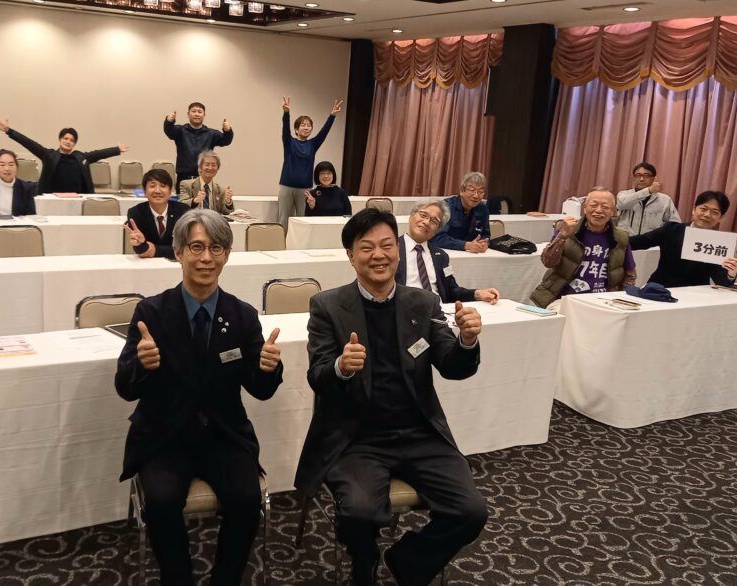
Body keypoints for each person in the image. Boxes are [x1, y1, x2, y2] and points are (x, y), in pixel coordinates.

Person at [295, 208, 489, 586]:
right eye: (366, 247)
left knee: (471, 511)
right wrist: (341, 367)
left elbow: (453, 366)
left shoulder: (423, 303)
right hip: (357, 438)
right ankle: (363, 558)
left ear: (398, 252)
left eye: (387, 245)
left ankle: (407, 560)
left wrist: (467, 342)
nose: (378, 255)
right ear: (351, 256)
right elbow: (318, 376)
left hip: (420, 434)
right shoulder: (327, 306)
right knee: (359, 512)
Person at [115, 209, 282, 586]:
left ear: (227, 255)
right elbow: (125, 387)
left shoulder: (242, 316)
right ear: (178, 252)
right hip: (164, 436)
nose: (206, 257)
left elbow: (260, 388)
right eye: (196, 247)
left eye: (216, 248)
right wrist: (142, 365)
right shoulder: (150, 313)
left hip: (224, 435)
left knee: (246, 498)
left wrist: (268, 368)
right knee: (160, 502)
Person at [530, 188, 637, 309]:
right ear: (585, 208)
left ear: (613, 211)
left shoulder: (621, 237)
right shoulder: (567, 229)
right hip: (565, 298)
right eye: (593, 205)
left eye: (605, 207)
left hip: (604, 300)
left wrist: (621, 298)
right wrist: (562, 236)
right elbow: (548, 262)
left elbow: (630, 275)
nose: (598, 210)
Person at [629, 191, 737, 287]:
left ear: (720, 218)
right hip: (660, 289)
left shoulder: (719, 243)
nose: (707, 214)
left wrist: (731, 274)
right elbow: (637, 242)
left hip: (694, 295)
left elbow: (721, 281)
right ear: (694, 209)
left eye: (715, 212)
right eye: (703, 209)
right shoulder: (671, 229)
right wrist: (618, 237)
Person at [0, 116, 128, 194]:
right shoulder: (49, 155)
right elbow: (29, 143)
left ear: (74, 144)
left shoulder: (81, 157)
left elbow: (99, 153)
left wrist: (117, 149)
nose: (68, 142)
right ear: (60, 140)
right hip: (52, 198)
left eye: (72, 140)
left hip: (77, 199)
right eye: (65, 138)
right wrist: (9, 131)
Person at [398, 199, 500, 304]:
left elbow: (451, 291)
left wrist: (477, 294)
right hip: (405, 309)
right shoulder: (392, 249)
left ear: (437, 230)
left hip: (439, 310)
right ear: (411, 216)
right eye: (423, 216)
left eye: (434, 221)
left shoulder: (441, 256)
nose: (427, 222)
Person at [278, 97, 343, 230]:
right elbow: (285, 129)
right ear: (296, 129)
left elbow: (324, 132)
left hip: (305, 189)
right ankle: (281, 243)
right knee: (283, 219)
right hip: (286, 186)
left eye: (309, 125)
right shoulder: (289, 142)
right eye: (303, 125)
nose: (307, 127)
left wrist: (332, 116)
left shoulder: (313, 144)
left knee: (303, 220)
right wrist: (286, 113)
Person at [163, 102, 234, 192]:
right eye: (193, 111)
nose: (197, 114)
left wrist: (228, 131)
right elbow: (169, 131)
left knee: (203, 201)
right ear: (188, 114)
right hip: (183, 179)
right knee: (182, 201)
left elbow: (226, 141)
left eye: (200, 112)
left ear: (204, 115)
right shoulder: (180, 131)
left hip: (204, 178)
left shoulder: (211, 134)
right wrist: (169, 121)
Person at [124, 168, 191, 259]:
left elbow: (187, 248)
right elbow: (141, 250)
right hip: (148, 264)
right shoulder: (136, 212)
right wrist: (140, 244)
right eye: (152, 186)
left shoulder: (183, 211)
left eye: (163, 186)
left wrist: (155, 250)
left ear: (170, 191)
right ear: (145, 191)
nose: (157, 191)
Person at [431, 172, 491, 254]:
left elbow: (486, 234)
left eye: (480, 191)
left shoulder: (482, 208)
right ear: (462, 191)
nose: (476, 196)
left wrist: (483, 243)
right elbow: (437, 238)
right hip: (445, 253)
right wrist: (466, 245)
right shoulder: (446, 206)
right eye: (472, 190)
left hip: (472, 254)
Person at [616, 161, 681, 236]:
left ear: (654, 179)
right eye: (638, 175)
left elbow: (675, 225)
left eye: (646, 176)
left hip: (651, 242)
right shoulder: (624, 195)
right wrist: (649, 190)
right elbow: (621, 204)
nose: (641, 179)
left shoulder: (665, 200)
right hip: (626, 240)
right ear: (633, 178)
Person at [180, 150, 234, 215]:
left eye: (214, 165)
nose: (210, 168)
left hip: (213, 220)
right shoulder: (186, 185)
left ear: (217, 169)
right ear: (200, 168)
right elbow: (181, 205)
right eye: (207, 164)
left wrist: (228, 202)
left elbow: (226, 213)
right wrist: (195, 201)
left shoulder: (221, 190)